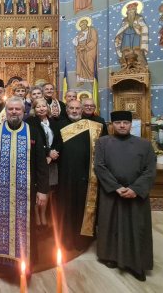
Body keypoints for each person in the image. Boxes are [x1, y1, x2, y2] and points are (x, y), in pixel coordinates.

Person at [95, 111, 156, 281]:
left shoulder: (144, 144)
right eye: (118, 122)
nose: (122, 125)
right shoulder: (103, 143)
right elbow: (99, 166)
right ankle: (111, 257)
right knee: (111, 225)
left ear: (131, 124)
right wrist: (116, 187)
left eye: (125, 122)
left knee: (137, 228)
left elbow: (150, 171)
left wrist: (135, 189)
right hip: (112, 193)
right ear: (111, 125)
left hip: (136, 193)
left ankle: (137, 264)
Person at [0, 97, 49, 275]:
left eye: (17, 109)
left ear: (23, 111)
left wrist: (43, 190)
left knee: (25, 223)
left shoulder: (32, 130)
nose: (14, 112)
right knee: (0, 223)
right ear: (6, 111)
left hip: (26, 190)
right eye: (10, 109)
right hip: (0, 190)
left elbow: (41, 162)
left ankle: (24, 260)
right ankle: (3, 261)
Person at [57, 100, 103, 250]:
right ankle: (66, 239)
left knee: (83, 207)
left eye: (77, 108)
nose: (75, 110)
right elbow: (54, 149)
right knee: (66, 208)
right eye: (71, 108)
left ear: (82, 110)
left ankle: (82, 240)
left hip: (86, 175)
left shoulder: (92, 126)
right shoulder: (59, 125)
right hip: (65, 175)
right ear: (67, 109)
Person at [26, 98, 62, 228]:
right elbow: (34, 141)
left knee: (49, 189)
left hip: (52, 161)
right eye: (38, 107)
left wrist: (53, 154)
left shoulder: (53, 122)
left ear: (48, 108)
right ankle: (37, 214)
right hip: (38, 160)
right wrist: (47, 152)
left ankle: (44, 214)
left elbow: (59, 139)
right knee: (39, 188)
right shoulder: (30, 122)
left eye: (43, 106)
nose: (41, 108)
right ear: (34, 109)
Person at [115, 2, 149, 68]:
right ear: (127, 12)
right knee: (126, 52)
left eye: (132, 9)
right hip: (126, 37)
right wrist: (118, 37)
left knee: (137, 51)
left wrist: (138, 27)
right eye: (129, 10)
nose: (131, 11)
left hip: (136, 36)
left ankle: (141, 66)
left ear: (135, 10)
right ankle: (125, 66)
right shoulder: (124, 20)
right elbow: (121, 30)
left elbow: (144, 27)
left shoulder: (139, 18)